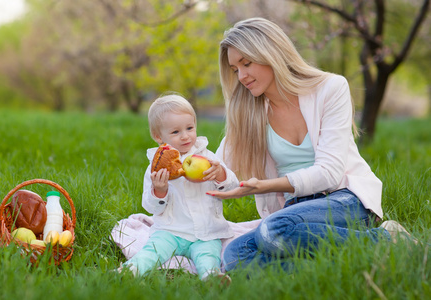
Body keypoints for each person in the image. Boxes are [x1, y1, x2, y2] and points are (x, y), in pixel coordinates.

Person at [207, 17, 417, 271]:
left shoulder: (330, 88)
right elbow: (215, 168)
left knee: (273, 231)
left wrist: (263, 187)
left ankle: (387, 239)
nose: (241, 76)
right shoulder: (250, 113)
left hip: (344, 199)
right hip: (295, 210)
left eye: (246, 63)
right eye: (235, 69)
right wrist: (169, 175)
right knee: (234, 257)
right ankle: (332, 268)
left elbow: (329, 173)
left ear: (270, 53)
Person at [118, 93, 239, 283]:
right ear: (158, 136)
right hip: (171, 231)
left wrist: (220, 174)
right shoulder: (157, 167)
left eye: (189, 128)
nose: (185, 136)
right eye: (175, 132)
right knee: (153, 250)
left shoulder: (207, 159)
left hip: (206, 232)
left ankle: (211, 277)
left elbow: (232, 187)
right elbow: (151, 207)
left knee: (208, 254)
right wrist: (160, 190)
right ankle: (130, 270)